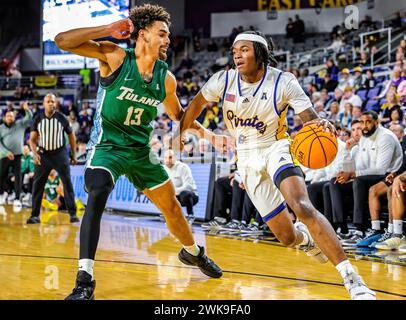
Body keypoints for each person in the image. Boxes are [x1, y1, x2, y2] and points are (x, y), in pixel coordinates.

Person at [179, 30, 375, 300]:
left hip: (276, 147)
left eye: (245, 49)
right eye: (235, 50)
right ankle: (305, 240)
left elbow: (309, 117)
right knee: (286, 237)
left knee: (303, 206)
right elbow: (194, 107)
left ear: (259, 52)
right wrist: (190, 134)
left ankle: (352, 278)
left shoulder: (283, 81)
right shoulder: (222, 81)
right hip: (246, 157)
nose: (237, 54)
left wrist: (320, 123)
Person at [55, 4, 222, 300]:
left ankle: (194, 252)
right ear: (142, 35)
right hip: (108, 146)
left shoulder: (166, 78)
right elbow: (62, 41)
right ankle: (85, 279)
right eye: (162, 34)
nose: (168, 40)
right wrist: (108, 29)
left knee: (171, 206)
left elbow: (179, 115)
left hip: (140, 150)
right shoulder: (116, 56)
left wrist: (209, 134)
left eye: (168, 35)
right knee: (98, 189)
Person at [26, 94, 79, 224]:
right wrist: (34, 153)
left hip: (60, 153)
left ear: (56, 104)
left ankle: (73, 214)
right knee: (38, 185)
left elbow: (71, 136)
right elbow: (32, 140)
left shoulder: (62, 118)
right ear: (44, 104)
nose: (51, 103)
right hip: (43, 154)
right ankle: (35, 215)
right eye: (48, 101)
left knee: (67, 183)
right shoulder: (37, 119)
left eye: (53, 101)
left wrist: (73, 154)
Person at [0, 101, 33, 207]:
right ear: (5, 117)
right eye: (8, 116)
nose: (10, 117)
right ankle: (3, 193)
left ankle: (17, 198)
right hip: (5, 155)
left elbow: (29, 117)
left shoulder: (20, 124)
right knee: (1, 176)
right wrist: (6, 152)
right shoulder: (1, 128)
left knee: (18, 177)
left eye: (12, 116)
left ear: (14, 117)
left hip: (18, 155)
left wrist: (26, 109)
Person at [163, 150, 199, 224]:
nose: (167, 160)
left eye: (170, 157)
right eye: (165, 158)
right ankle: (170, 215)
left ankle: (190, 215)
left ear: (175, 158)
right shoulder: (163, 169)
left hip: (191, 196)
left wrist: (172, 192)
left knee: (185, 193)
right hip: (174, 196)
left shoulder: (183, 167)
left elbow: (188, 186)